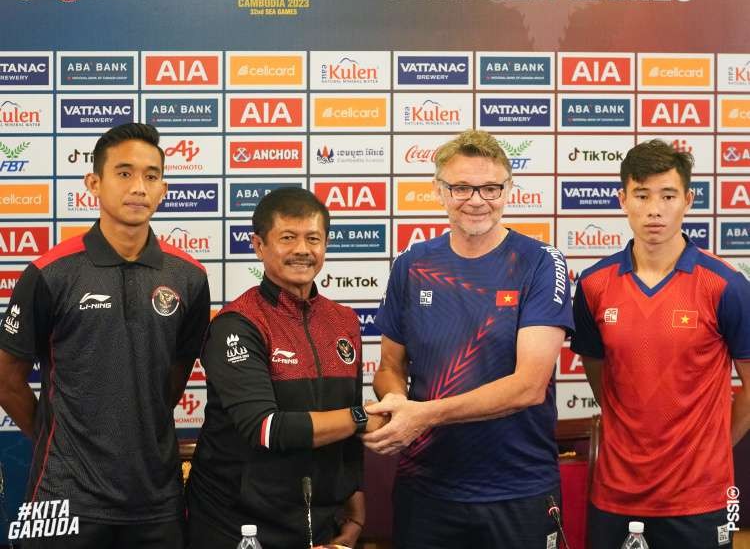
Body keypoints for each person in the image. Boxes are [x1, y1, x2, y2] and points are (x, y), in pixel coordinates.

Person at [0, 122, 210, 548]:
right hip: (61, 494)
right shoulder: (50, 272)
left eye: (151, 176)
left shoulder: (189, 277)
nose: (139, 187)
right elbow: (6, 379)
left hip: (155, 495)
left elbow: (173, 378)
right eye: (124, 173)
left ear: (164, 188)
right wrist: (55, 438)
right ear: (94, 182)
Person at [363, 129, 574, 549]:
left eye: (490, 187)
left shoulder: (539, 262)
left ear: (508, 190)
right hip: (426, 487)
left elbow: (529, 386)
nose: (477, 200)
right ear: (439, 191)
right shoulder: (412, 264)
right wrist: (398, 406)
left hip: (518, 489)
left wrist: (424, 416)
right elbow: (390, 367)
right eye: (461, 187)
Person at [571, 140, 750, 549]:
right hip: (616, 493)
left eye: (668, 195)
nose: (655, 209)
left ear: (687, 200)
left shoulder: (726, 285)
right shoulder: (595, 285)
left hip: (700, 497)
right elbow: (601, 379)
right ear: (623, 200)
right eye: (642, 194)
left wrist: (710, 446)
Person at [186, 187, 386, 549]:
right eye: (288, 238)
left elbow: (345, 430)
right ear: (259, 245)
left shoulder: (343, 322)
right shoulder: (238, 323)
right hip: (236, 524)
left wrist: (354, 497)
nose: (302, 250)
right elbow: (266, 428)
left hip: (319, 523)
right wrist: (359, 417)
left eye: (313, 238)